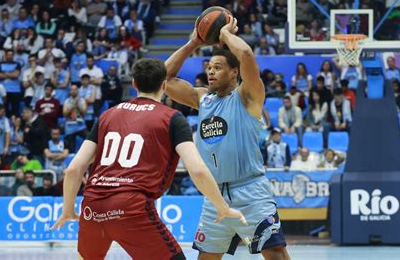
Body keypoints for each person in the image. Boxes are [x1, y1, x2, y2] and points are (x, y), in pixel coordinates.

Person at [52, 58, 246, 260]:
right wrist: (222, 206)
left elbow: (74, 169)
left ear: (134, 83)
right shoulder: (172, 118)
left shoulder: (107, 115)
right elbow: (196, 169)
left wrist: (68, 209)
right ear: (164, 85)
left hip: (92, 206)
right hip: (131, 207)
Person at [164, 16, 289, 259]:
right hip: (215, 196)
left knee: (275, 253)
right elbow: (163, 79)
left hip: (251, 192)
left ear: (234, 73)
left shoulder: (248, 97)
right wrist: (192, 44)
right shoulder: (202, 99)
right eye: (209, 67)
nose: (210, 71)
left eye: (217, 67)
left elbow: (247, 56)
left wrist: (225, 35)